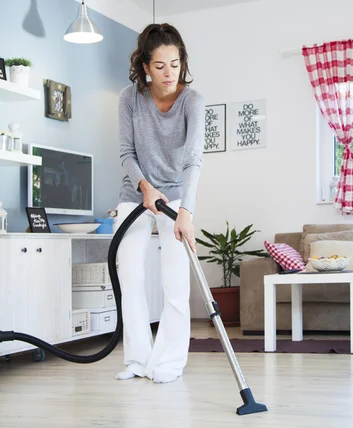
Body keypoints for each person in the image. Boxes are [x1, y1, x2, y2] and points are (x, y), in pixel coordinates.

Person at [113, 23, 204, 384]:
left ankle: (167, 363)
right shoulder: (128, 98)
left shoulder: (192, 101)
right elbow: (125, 152)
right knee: (130, 277)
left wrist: (187, 212)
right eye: (161, 66)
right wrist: (145, 188)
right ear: (145, 67)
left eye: (176, 63)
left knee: (175, 281)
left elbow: (194, 159)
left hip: (176, 196)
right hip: (134, 195)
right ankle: (137, 360)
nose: (170, 73)